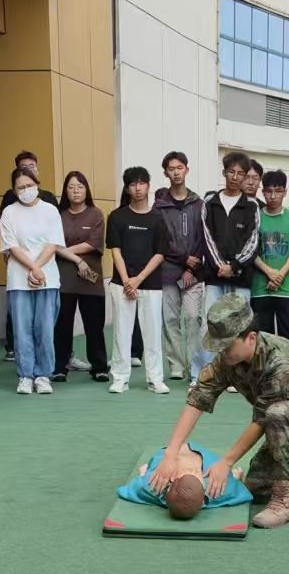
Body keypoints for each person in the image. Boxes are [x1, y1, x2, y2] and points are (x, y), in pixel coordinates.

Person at [150, 296, 289, 529]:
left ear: (251, 338)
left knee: (277, 413)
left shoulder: (281, 362)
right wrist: (171, 453)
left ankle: (285, 502)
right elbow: (197, 400)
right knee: (258, 487)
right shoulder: (228, 360)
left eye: (227, 346)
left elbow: (263, 419)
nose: (222, 352)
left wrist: (226, 462)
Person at [0, 164, 65, 393]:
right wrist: (32, 268)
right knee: (22, 329)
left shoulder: (50, 210)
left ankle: (43, 374)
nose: (25, 190)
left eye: (29, 185)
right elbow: (11, 246)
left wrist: (38, 268)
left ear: (37, 184)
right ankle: (25, 375)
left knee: (45, 329)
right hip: (19, 279)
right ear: (14, 190)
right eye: (20, 187)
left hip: (47, 277)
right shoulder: (9, 212)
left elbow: (53, 243)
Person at [103, 167, 167, 395]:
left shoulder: (158, 219)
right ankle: (120, 378)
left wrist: (138, 279)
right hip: (122, 284)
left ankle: (155, 379)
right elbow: (115, 250)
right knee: (121, 332)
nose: (138, 188)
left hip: (150, 284)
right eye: (132, 184)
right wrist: (127, 281)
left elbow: (160, 253)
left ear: (148, 185)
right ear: (127, 188)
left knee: (153, 333)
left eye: (141, 183)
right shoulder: (117, 217)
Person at [154, 150, 207, 384]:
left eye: (180, 168)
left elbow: (203, 238)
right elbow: (160, 240)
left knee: (193, 318)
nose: (176, 172)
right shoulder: (159, 206)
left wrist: (191, 268)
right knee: (170, 319)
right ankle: (176, 365)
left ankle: (194, 364)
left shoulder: (198, 203)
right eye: (171, 169)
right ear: (165, 173)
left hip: (194, 273)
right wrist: (184, 259)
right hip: (167, 271)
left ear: (187, 169)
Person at [54, 170, 107, 382]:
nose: (76, 191)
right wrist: (75, 258)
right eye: (71, 187)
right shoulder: (58, 216)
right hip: (64, 278)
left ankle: (99, 366)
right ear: (65, 191)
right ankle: (60, 366)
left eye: (80, 186)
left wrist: (64, 250)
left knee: (94, 325)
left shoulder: (96, 214)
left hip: (90, 278)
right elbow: (52, 244)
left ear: (87, 190)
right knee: (62, 325)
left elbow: (93, 243)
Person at [119, 442, 254, 518]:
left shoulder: (153, 487)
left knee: (153, 474)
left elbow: (129, 489)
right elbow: (243, 492)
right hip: (189, 453)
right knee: (223, 478)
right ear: (203, 500)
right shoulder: (215, 490)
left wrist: (144, 475)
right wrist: (234, 478)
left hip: (174, 451)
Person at [202, 151, 259, 318]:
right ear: (224, 173)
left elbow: (252, 242)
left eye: (240, 173)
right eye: (231, 172)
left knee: (239, 326)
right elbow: (206, 238)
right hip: (214, 277)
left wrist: (233, 267)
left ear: (245, 176)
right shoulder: (210, 202)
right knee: (212, 323)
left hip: (241, 278)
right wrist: (221, 266)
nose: (235, 177)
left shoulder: (251, 206)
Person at [250, 169, 289, 342]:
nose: (273, 196)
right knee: (261, 339)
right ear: (263, 192)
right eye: (269, 191)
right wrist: (269, 273)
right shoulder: (255, 217)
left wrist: (279, 276)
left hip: (286, 290)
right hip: (260, 289)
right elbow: (250, 250)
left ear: (285, 192)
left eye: (278, 191)